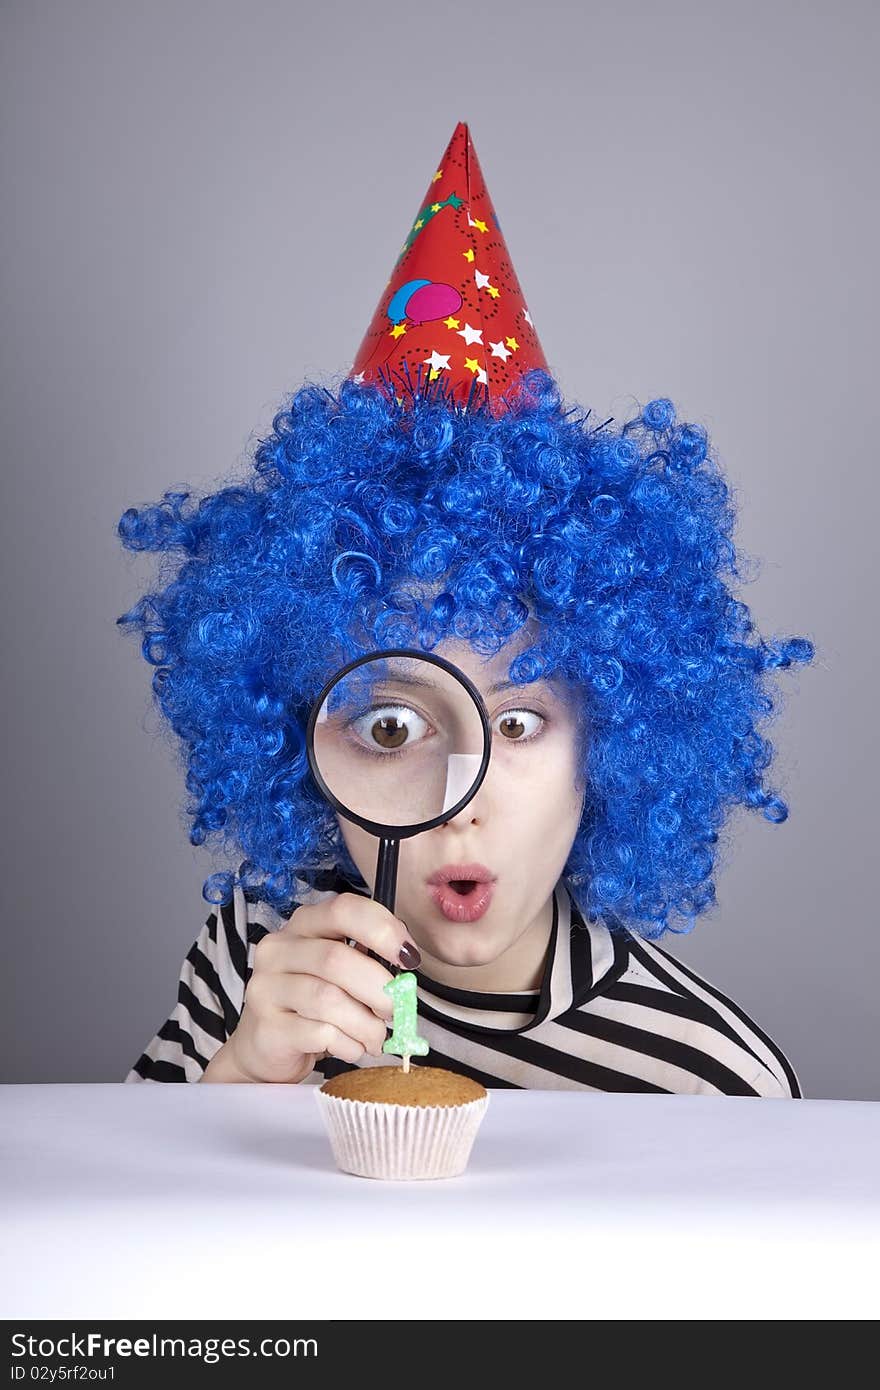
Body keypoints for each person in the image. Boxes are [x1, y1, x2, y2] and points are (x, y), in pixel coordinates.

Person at [117, 122, 813, 1096]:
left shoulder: (707, 1080)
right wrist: (239, 1078)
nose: (461, 801)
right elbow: (124, 1227)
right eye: (392, 723)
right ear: (297, 739)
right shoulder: (255, 956)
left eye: (520, 721)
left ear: (610, 751)